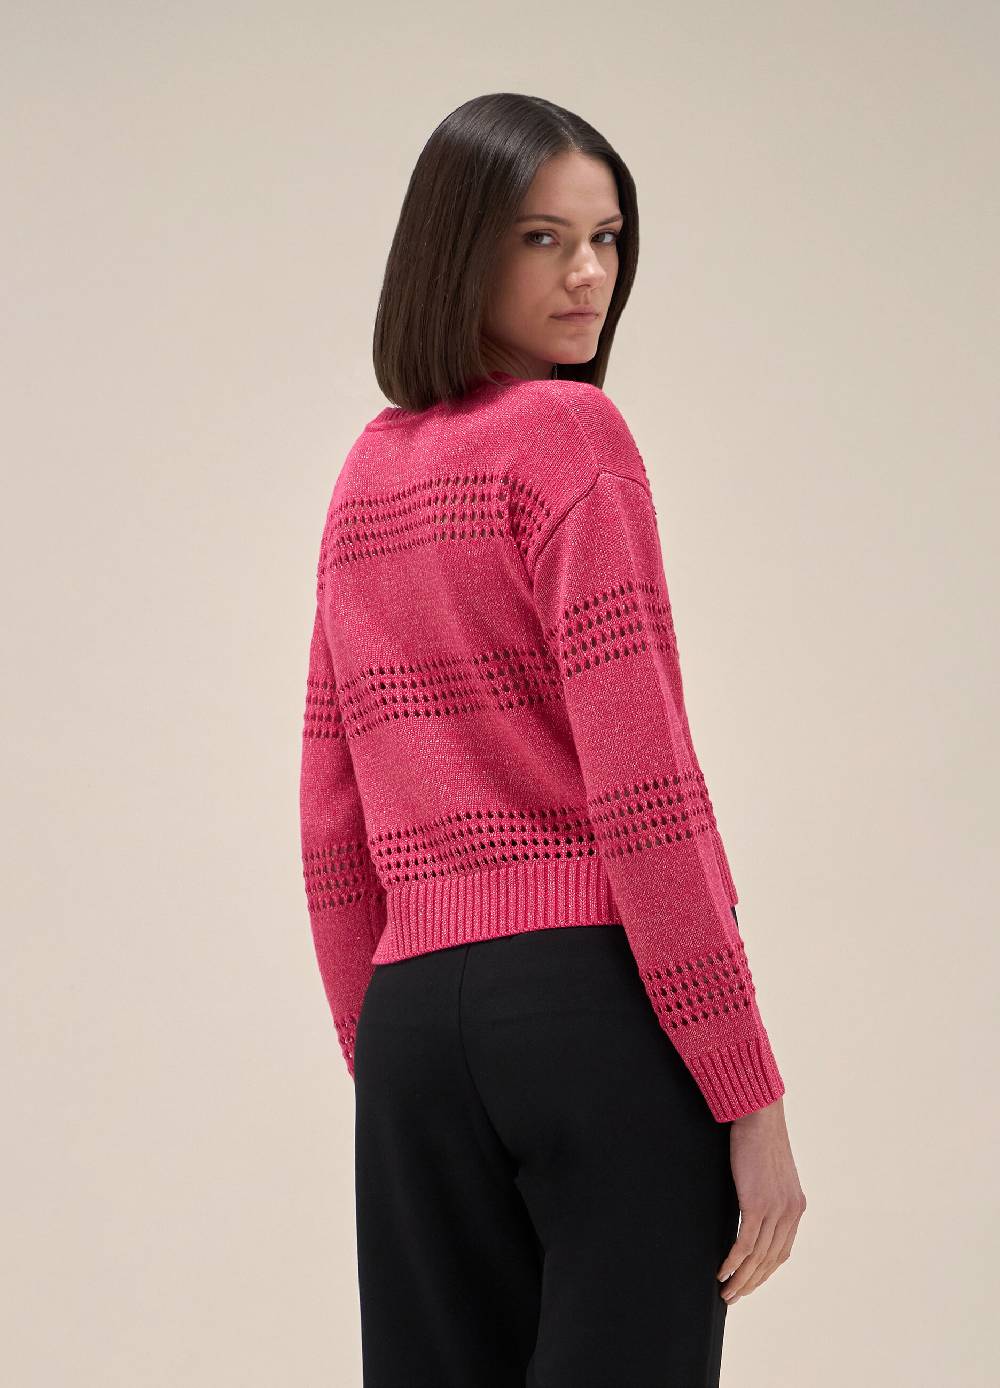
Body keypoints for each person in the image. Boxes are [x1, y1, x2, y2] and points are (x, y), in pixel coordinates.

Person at [299, 91, 806, 1388]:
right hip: (592, 1006)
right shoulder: (574, 436)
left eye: (607, 238)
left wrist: (396, 1060)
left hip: (412, 1026)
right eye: (543, 238)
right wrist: (747, 1093)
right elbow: (645, 791)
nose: (588, 274)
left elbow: (331, 816)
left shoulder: (366, 474)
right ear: (457, 247)